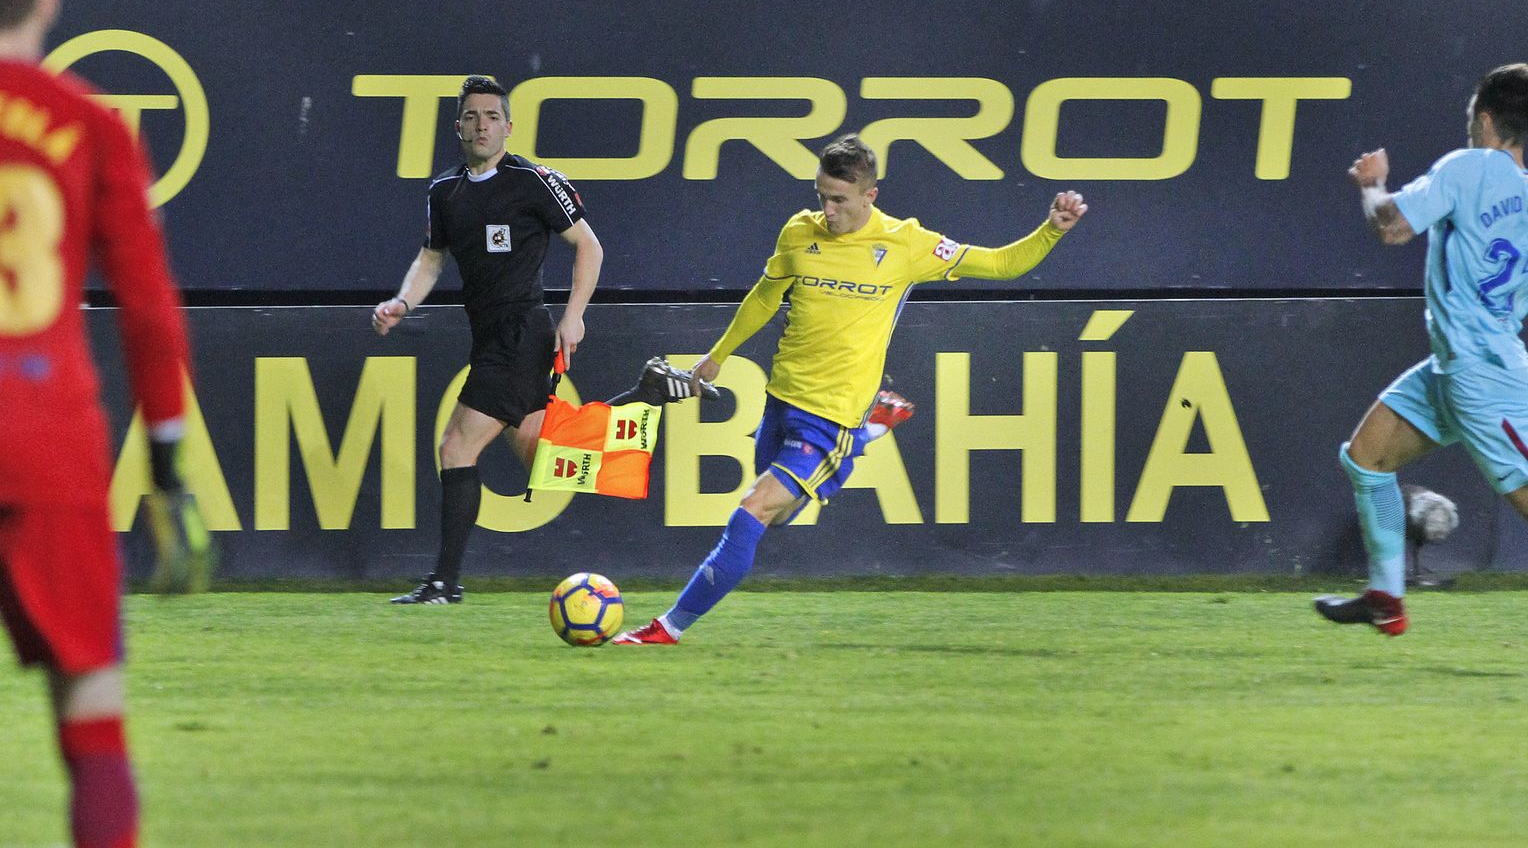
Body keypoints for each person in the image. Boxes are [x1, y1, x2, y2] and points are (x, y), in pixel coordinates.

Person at [613, 134, 1087, 645]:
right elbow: (765, 296)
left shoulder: (906, 244)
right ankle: (875, 427)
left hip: (833, 414)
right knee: (776, 514)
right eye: (822, 196)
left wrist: (1051, 231)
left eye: (840, 199)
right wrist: (718, 355)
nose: (829, 209)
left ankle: (668, 628)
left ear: (870, 196)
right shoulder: (799, 232)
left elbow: (1000, 264)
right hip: (783, 398)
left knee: (754, 509)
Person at [0, 0, 200, 848]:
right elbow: (152, 315)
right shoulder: (89, 126)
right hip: (48, 443)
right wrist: (166, 463)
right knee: (92, 709)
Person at [1317, 64, 1528, 636]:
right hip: (1454, 369)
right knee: (1366, 459)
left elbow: (1392, 228)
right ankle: (1385, 597)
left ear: (1486, 117)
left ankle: (1385, 594)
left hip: (1487, 380)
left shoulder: (1464, 168)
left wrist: (1372, 182)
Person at [372, 75, 603, 604]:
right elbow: (431, 260)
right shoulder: (444, 192)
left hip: (521, 333)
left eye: (492, 117)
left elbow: (588, 247)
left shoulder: (532, 181)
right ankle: (649, 398)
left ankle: (443, 583)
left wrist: (574, 317)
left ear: (508, 127)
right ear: (458, 126)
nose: (482, 126)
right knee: (551, 464)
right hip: (490, 338)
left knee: (456, 446)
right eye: (472, 116)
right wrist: (402, 303)